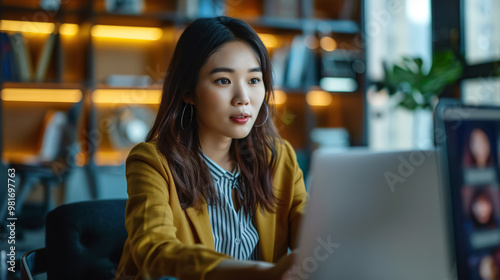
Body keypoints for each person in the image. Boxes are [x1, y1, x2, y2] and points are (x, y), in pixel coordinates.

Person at [115, 16, 308, 280]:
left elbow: (311, 229)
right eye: (223, 81)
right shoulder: (152, 162)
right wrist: (261, 273)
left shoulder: (278, 157)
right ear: (188, 92)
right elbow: (155, 251)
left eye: (254, 80)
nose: (243, 99)